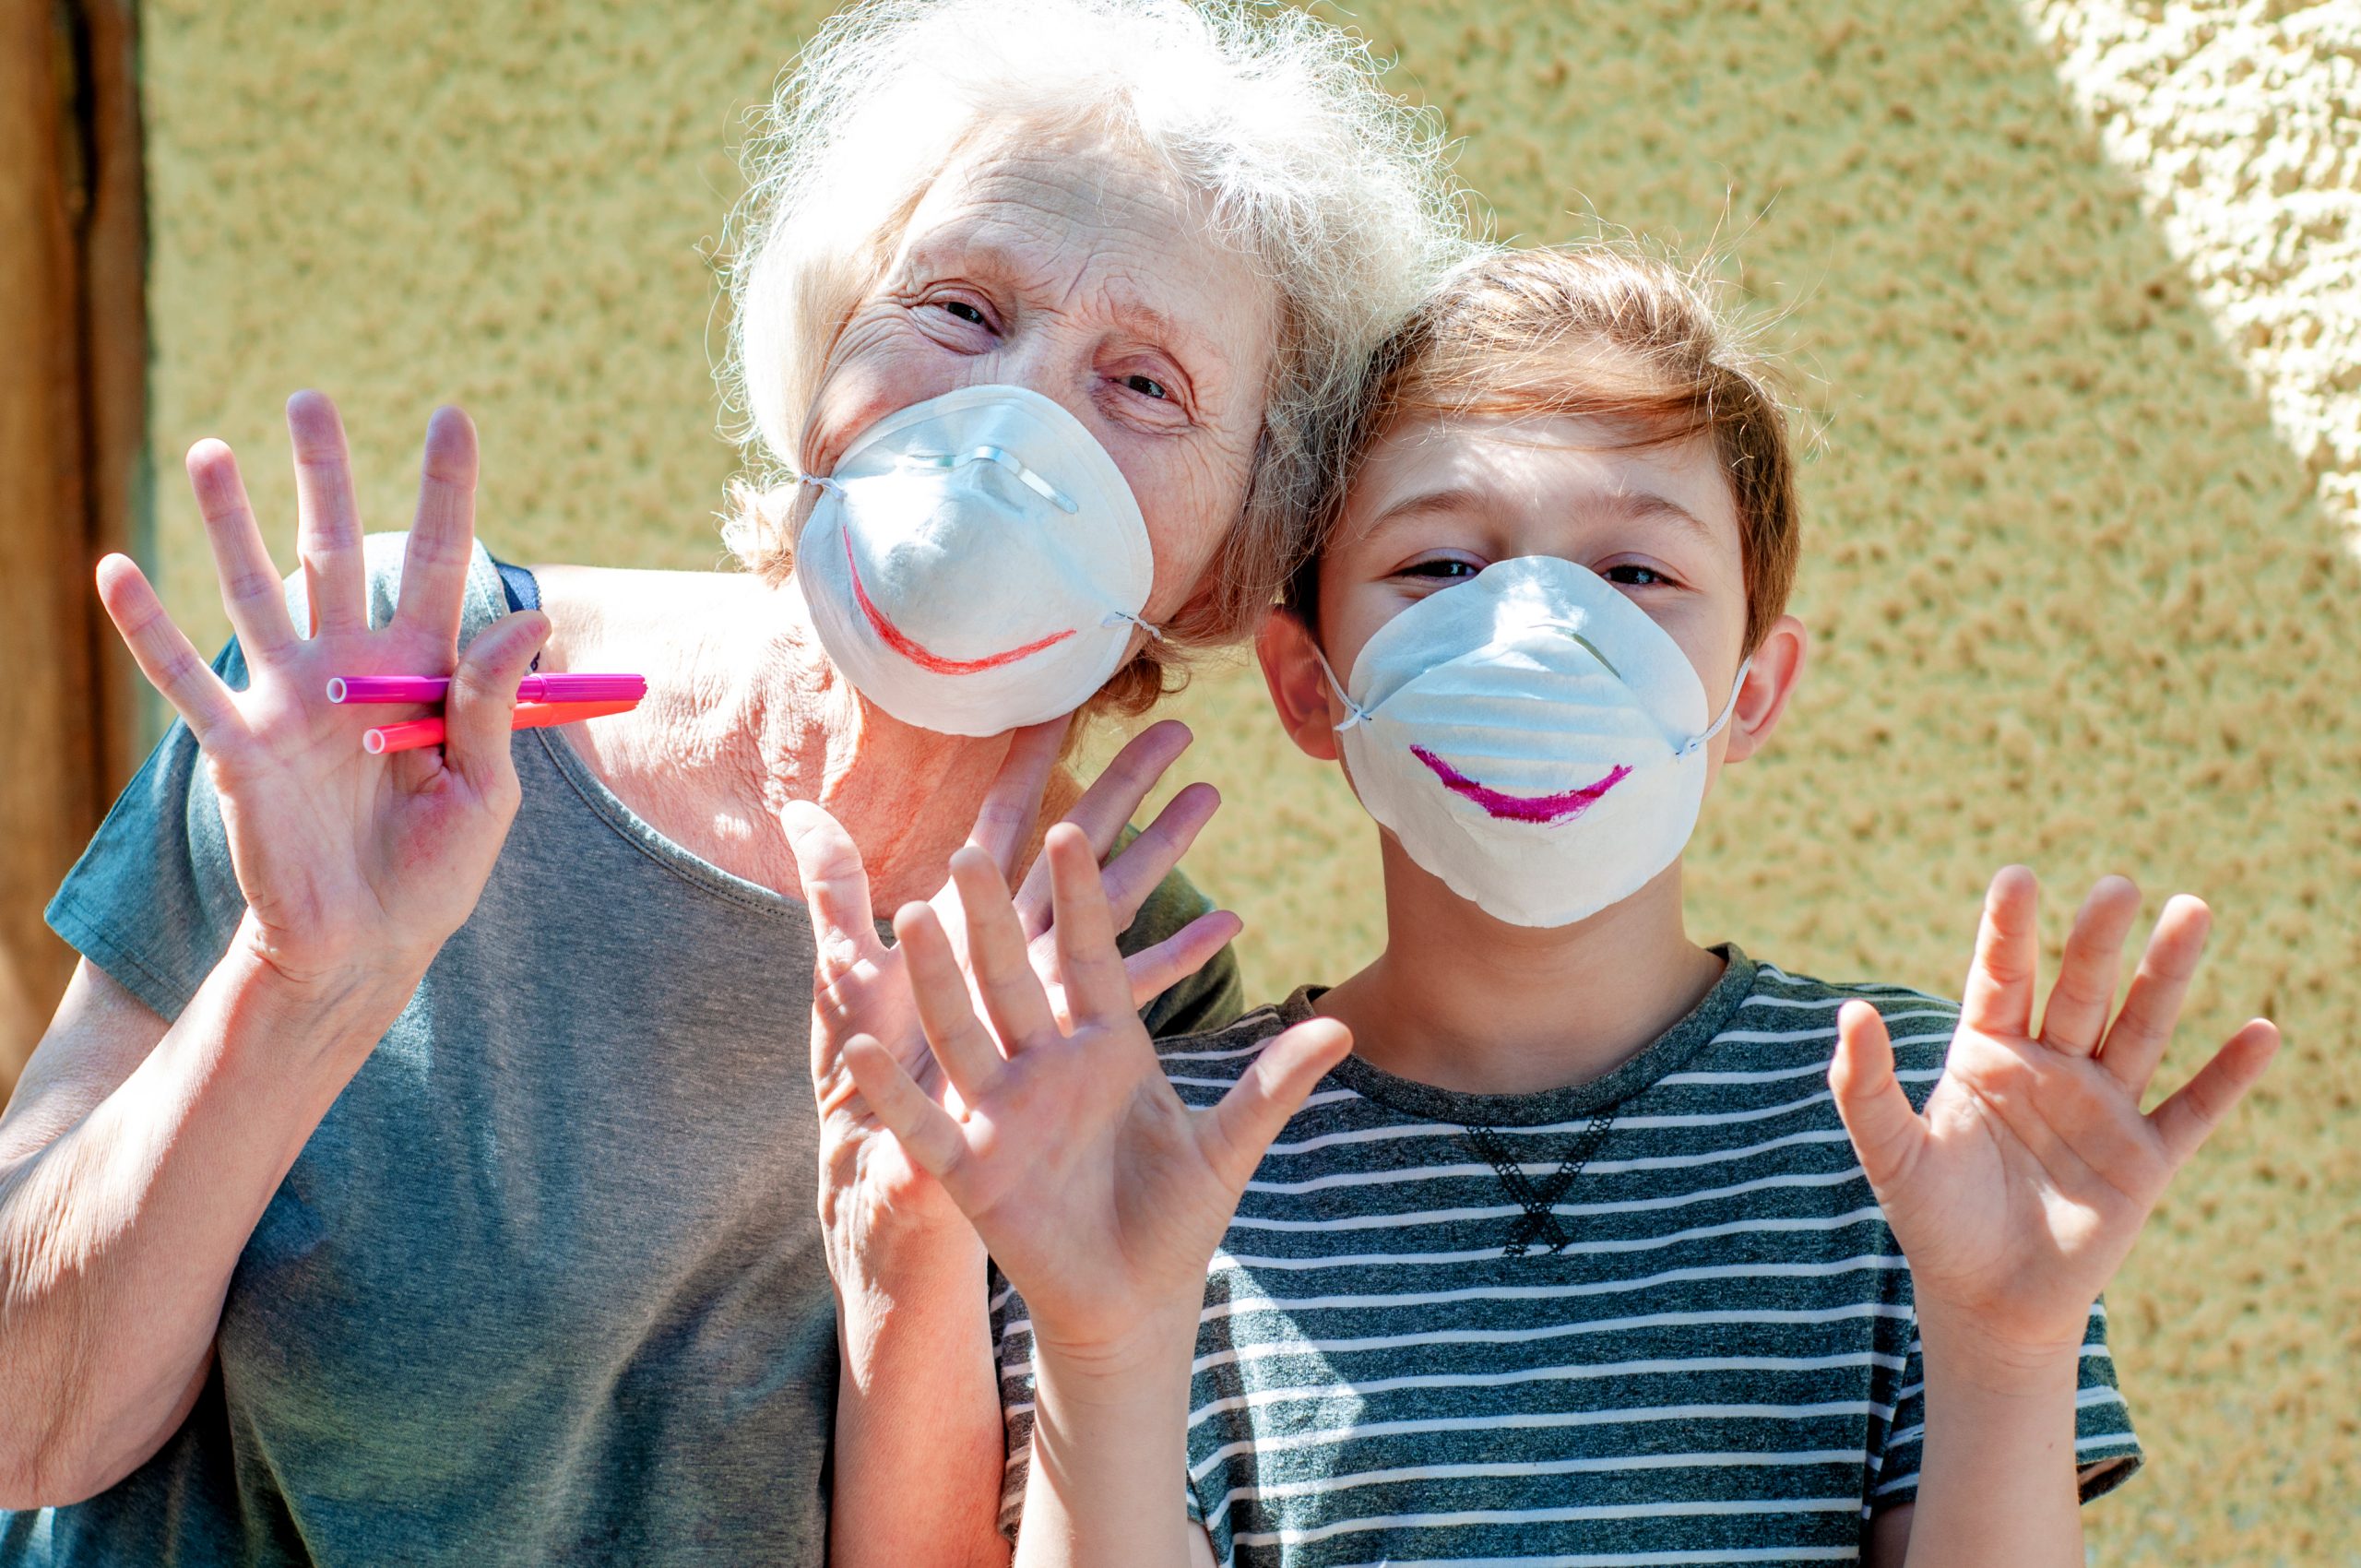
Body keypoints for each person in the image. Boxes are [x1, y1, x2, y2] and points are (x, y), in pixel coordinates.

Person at [0, 2, 1465, 1562]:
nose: (1020, 409)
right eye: (962, 309)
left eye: (1145, 384)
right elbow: (32, 1426)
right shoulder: (392, 691)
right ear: (828, 338)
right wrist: (296, 993)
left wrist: (909, 1245)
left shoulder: (1107, 976)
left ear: (1235, 543)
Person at [832, 245, 2284, 1565]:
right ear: (1307, 683)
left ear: (1751, 692)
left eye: (1635, 571)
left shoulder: (1917, 1124)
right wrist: (1104, 1341)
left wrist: (2009, 1343)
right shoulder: (1144, 1145)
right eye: (1442, 567)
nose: (1532, 630)